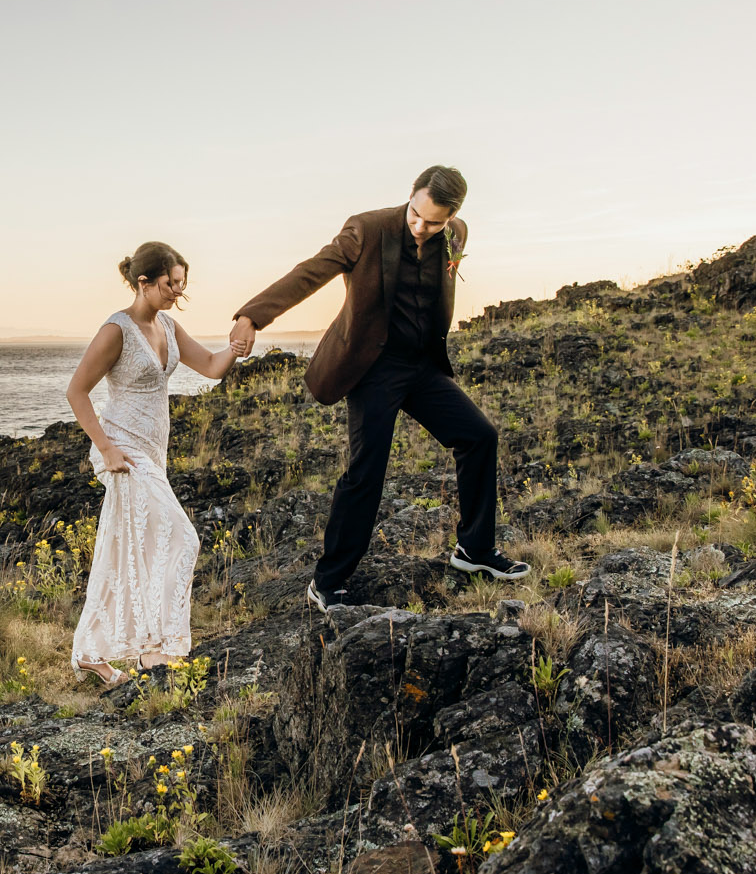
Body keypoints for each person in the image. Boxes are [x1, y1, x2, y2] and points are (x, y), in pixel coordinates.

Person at [228, 165, 529, 611]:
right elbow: (310, 272)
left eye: (434, 222)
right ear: (411, 196)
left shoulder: (456, 234)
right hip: (373, 368)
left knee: (479, 437)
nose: (422, 227)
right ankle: (328, 582)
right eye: (417, 216)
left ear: (451, 218)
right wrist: (252, 316)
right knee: (367, 471)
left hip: (423, 367)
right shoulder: (366, 230)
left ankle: (474, 551)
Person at [65, 241, 244, 687]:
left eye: (182, 285)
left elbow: (210, 366)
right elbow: (76, 392)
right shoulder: (116, 331)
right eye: (169, 284)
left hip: (153, 451)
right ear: (143, 282)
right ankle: (154, 650)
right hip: (124, 447)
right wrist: (105, 448)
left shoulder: (168, 324)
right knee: (182, 537)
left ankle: (91, 653)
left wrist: (237, 346)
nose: (176, 293)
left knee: (122, 548)